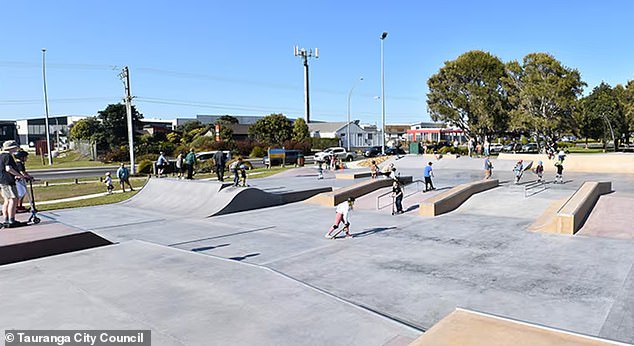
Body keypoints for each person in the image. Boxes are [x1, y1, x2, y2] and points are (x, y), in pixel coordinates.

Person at [0, 141, 32, 227]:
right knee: (13, 199)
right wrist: (19, 175)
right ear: (11, 148)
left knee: (7, 200)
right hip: (9, 181)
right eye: (15, 147)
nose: (16, 149)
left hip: (2, 181)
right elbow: (8, 168)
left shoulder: (1, 156)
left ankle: (6, 219)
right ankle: (12, 220)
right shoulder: (8, 156)